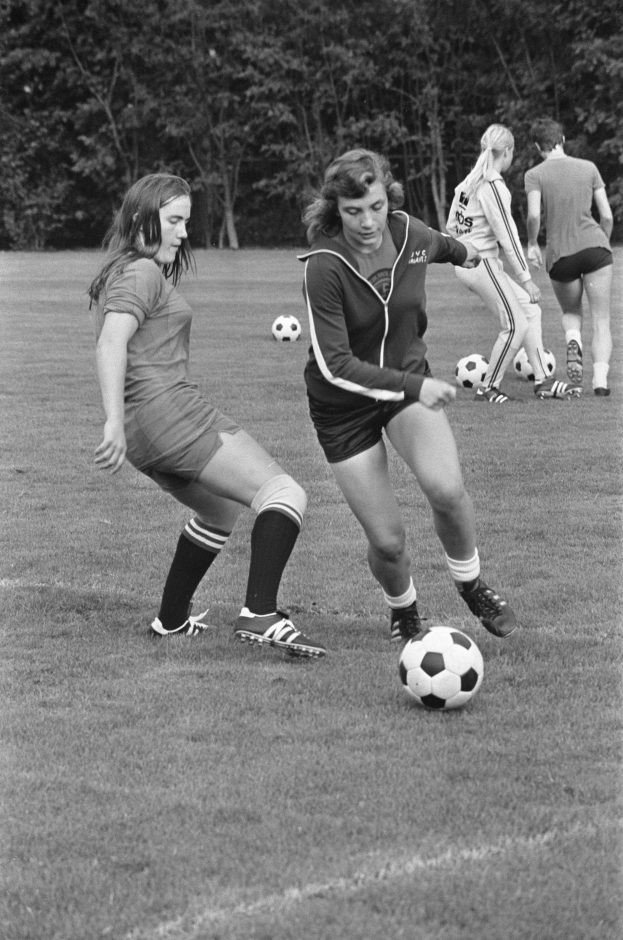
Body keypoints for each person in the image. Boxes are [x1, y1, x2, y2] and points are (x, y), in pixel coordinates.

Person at [89, 173, 325, 657]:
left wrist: (121, 424)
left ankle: (170, 621)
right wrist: (110, 418)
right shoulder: (141, 272)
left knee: (217, 511)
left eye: (185, 222)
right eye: (173, 220)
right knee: (284, 492)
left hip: (144, 435)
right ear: (140, 219)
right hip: (168, 412)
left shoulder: (125, 270)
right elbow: (111, 341)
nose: (182, 232)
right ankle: (260, 614)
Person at [298, 149, 517, 644]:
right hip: (344, 406)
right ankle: (404, 609)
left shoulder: (410, 233)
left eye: (375, 206)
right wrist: (417, 385)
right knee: (389, 543)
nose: (367, 221)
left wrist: (473, 254)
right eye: (353, 211)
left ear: (387, 197)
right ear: (336, 209)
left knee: (445, 488)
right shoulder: (324, 266)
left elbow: (445, 246)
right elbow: (336, 366)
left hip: (405, 387)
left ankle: (471, 584)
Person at [446, 123, 578, 403]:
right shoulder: (492, 184)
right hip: (481, 262)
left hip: (468, 262)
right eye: (511, 152)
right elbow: (507, 234)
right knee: (516, 323)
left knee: (531, 310)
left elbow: (452, 226)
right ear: (506, 151)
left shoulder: (469, 182)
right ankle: (487, 387)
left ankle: (543, 381)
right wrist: (526, 278)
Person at [525, 118, 614, 397]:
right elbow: (607, 215)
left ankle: (572, 340)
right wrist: (603, 243)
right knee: (601, 319)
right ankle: (600, 383)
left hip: (559, 254)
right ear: (563, 139)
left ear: (539, 146)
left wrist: (531, 243)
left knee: (571, 311)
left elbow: (534, 215)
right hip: (595, 247)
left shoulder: (534, 174)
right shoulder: (589, 168)